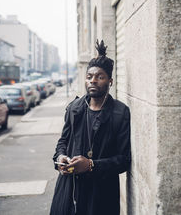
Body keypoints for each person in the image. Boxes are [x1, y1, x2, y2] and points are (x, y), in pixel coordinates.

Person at [50, 40, 131, 215]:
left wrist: (91, 165)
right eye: (89, 77)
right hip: (69, 191)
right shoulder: (74, 108)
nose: (93, 81)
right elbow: (62, 141)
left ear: (110, 81)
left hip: (101, 195)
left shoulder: (120, 112)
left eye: (99, 77)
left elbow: (124, 160)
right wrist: (61, 157)